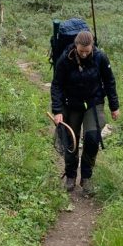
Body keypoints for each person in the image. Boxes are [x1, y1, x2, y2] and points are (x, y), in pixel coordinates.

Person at [50, 30, 119, 194]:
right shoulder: (65, 59)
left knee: (92, 137)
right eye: (81, 51)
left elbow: (109, 81)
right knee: (70, 141)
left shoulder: (100, 57)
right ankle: (71, 176)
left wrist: (114, 106)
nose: (84, 54)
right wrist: (58, 110)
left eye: (87, 51)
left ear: (92, 47)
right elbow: (57, 85)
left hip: (94, 102)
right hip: (71, 103)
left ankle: (86, 178)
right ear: (76, 46)